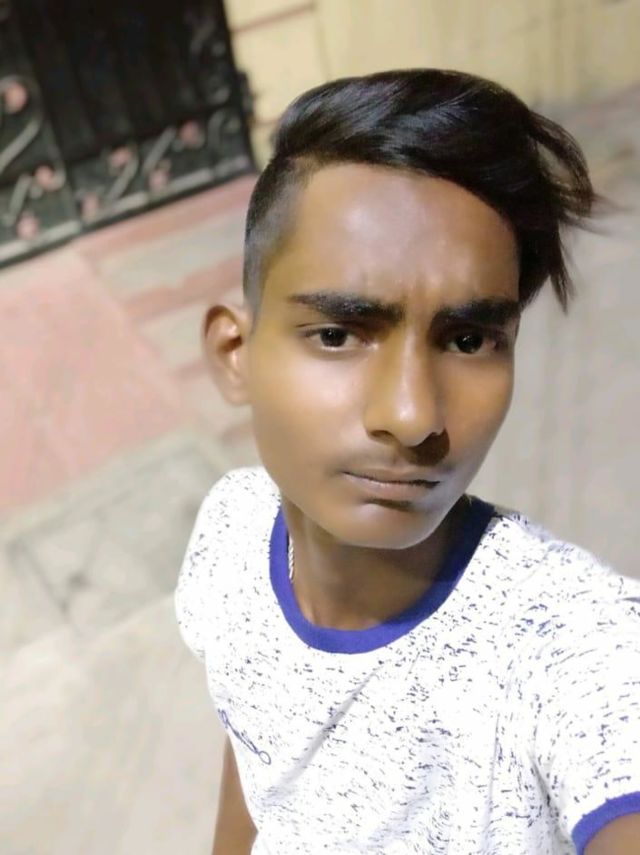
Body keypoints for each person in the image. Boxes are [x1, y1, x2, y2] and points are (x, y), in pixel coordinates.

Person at [174, 69, 640, 854]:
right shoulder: (231, 533)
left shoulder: (570, 644)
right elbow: (253, 743)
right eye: (338, 334)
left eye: (468, 340)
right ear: (235, 353)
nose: (413, 414)